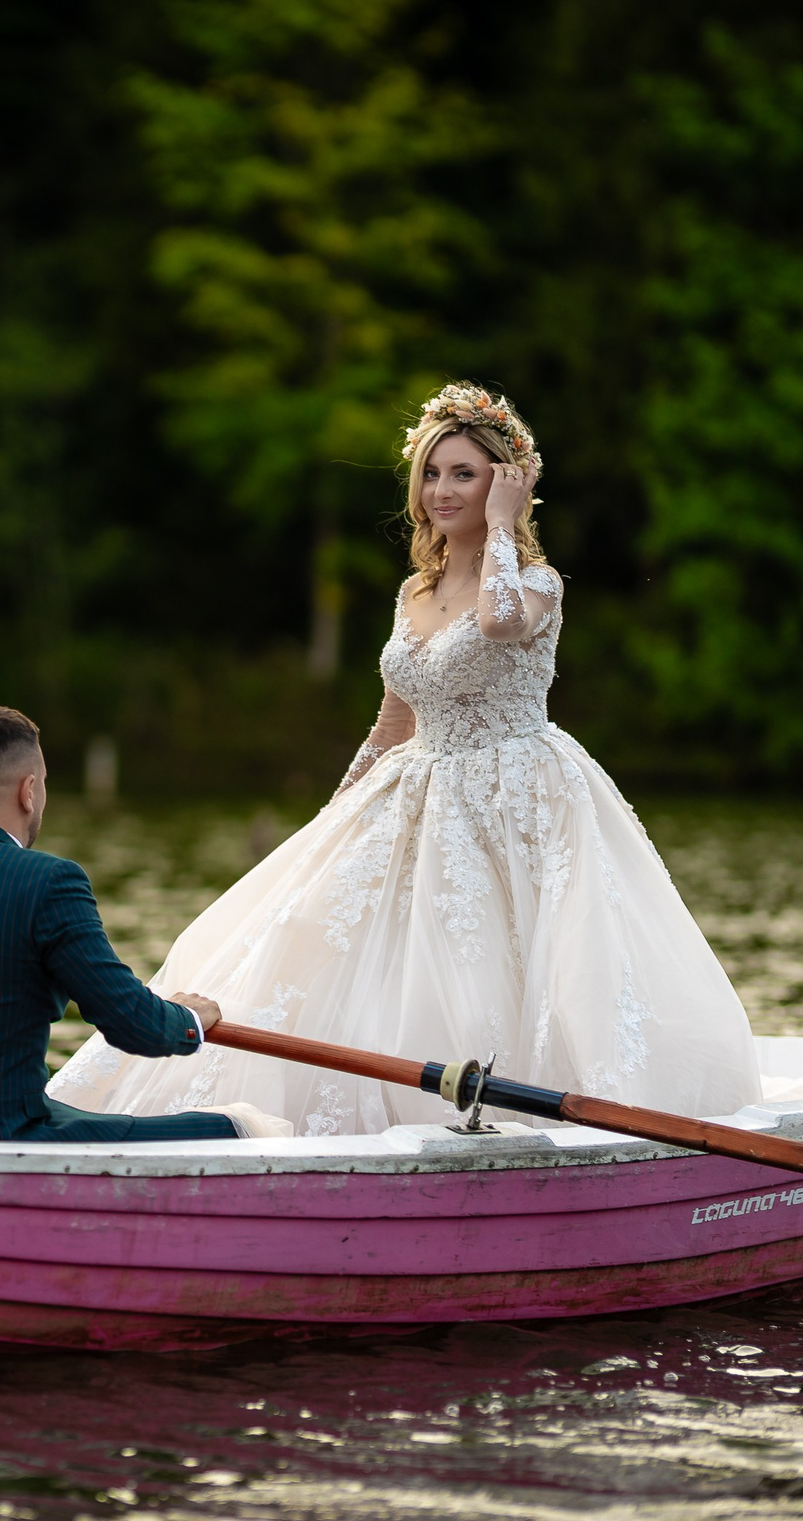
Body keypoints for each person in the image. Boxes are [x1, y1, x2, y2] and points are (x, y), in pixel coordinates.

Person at [47, 383, 763, 1135]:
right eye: (431, 472)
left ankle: (531, 1111)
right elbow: (395, 716)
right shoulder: (413, 591)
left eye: (465, 472)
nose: (441, 489)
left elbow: (498, 619)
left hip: (514, 789)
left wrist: (501, 528)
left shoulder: (537, 584)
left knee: (498, 964)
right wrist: (336, 812)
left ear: (505, 482)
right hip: (416, 786)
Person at [0, 705, 290, 1142]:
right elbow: (132, 1023)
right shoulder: (49, 881)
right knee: (240, 1127)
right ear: (29, 790)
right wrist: (190, 1017)